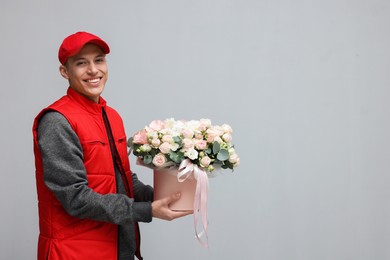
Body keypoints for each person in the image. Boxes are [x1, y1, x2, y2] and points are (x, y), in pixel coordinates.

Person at [32, 31, 191, 260]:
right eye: (81, 63)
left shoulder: (111, 115)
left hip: (117, 247)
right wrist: (147, 210)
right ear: (64, 71)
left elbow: (120, 178)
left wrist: (165, 195)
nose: (93, 70)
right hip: (74, 252)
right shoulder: (57, 121)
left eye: (99, 60)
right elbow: (75, 197)